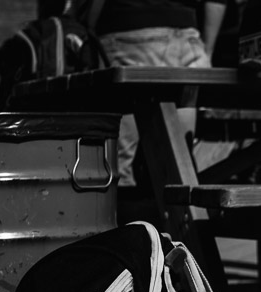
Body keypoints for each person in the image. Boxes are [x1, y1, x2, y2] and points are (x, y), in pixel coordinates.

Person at [86, 0, 224, 187]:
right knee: (178, 163)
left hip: (130, 29)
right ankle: (178, 215)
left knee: (118, 163)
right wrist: (207, 49)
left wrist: (90, 26)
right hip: (187, 34)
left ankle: (123, 215)